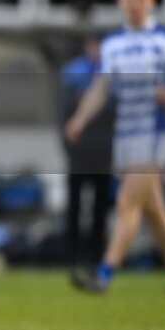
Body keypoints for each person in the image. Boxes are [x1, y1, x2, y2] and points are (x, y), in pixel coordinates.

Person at [65, 0, 165, 294]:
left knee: (127, 201)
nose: (134, 3)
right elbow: (100, 88)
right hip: (124, 134)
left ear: (151, 1)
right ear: (120, 2)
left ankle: (104, 274)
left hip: (154, 131)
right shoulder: (113, 45)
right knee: (153, 207)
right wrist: (80, 119)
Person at [59, 36, 114, 272]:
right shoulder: (73, 73)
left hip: (103, 154)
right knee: (74, 205)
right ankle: (72, 255)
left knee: (100, 207)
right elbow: (62, 114)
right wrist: (68, 147)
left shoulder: (111, 73)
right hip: (78, 155)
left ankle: (98, 255)